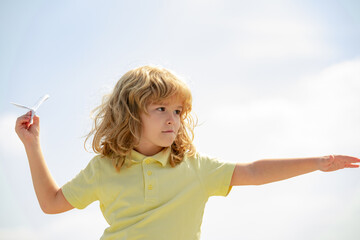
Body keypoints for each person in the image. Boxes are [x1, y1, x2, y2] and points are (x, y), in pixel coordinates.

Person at [15, 65, 360, 240]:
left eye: (178, 111)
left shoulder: (195, 168)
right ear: (131, 115)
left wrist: (318, 163)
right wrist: (33, 145)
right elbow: (52, 203)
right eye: (160, 109)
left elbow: (253, 171)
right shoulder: (105, 167)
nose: (172, 119)